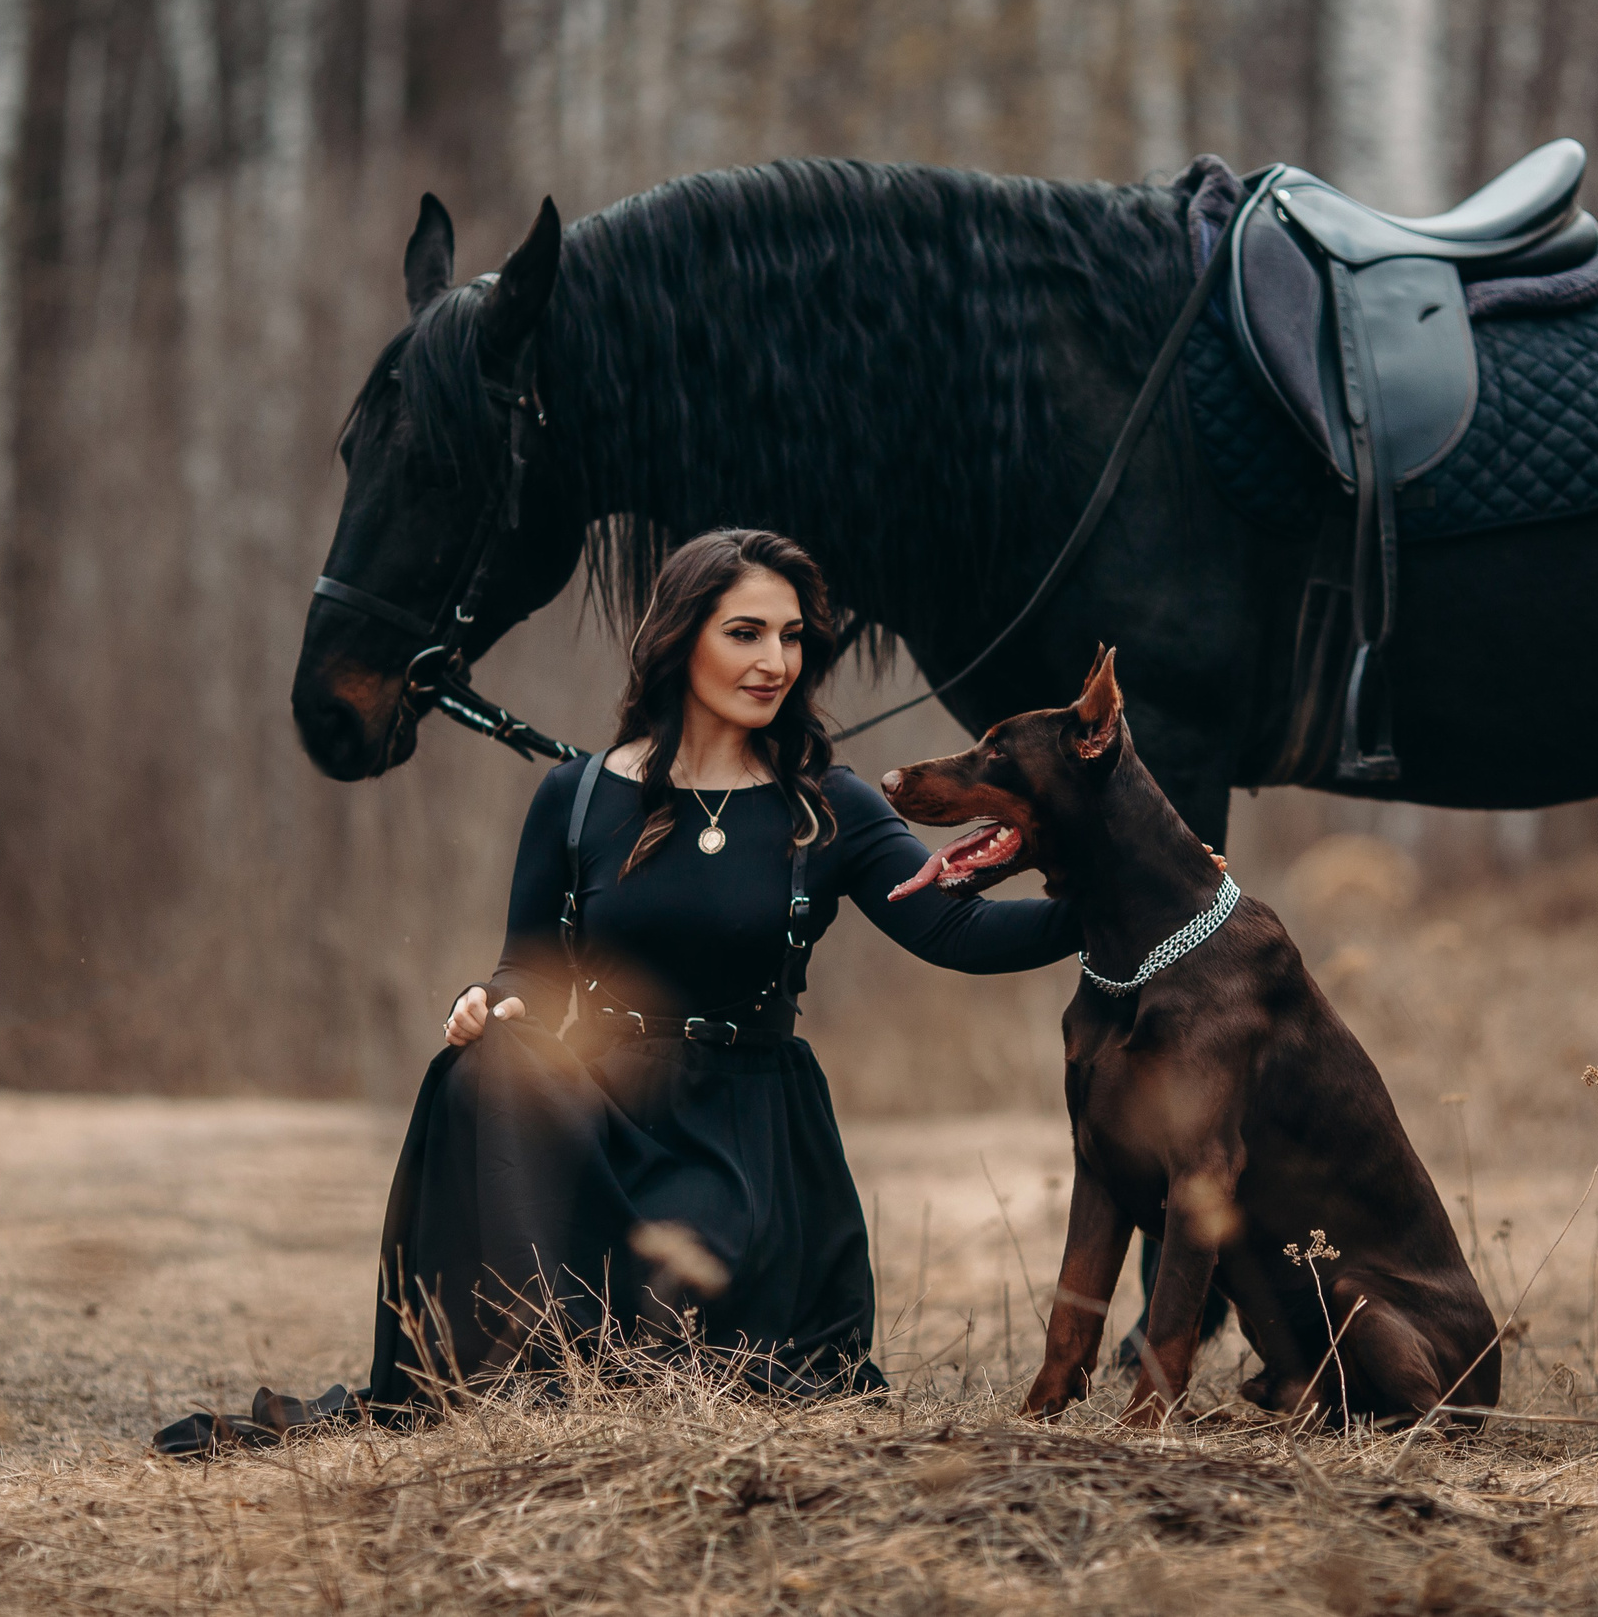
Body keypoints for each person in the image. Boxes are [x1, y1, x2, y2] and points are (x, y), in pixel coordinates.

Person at [369, 527, 1077, 1405]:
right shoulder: (579, 795)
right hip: (604, 1119)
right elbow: (528, 969)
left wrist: (1121, 903)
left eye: (790, 637)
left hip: (743, 1142)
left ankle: (631, 1343)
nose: (775, 660)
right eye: (745, 632)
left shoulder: (830, 806)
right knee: (479, 1072)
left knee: (702, 1358)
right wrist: (493, 1003)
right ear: (679, 637)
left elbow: (958, 933)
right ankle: (539, 1359)